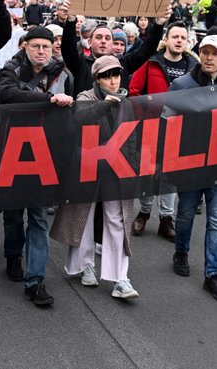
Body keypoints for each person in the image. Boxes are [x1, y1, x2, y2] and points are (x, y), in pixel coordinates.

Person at [0, 25, 74, 307]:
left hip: (47, 155)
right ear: (25, 47)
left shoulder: (63, 74)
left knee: (39, 217)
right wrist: (48, 100)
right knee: (15, 214)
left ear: (53, 48)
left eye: (46, 46)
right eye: (35, 46)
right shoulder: (10, 70)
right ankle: (13, 255)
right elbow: (7, 95)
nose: (41, 52)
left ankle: (35, 280)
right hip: (14, 152)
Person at [51, 55, 139, 300]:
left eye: (116, 75)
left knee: (117, 218)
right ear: (97, 79)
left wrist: (132, 169)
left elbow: (131, 138)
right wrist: (105, 105)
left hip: (116, 168)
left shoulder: (128, 103)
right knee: (84, 215)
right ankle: (84, 265)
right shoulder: (85, 97)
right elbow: (79, 119)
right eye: (106, 76)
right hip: (87, 166)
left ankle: (120, 278)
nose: (112, 80)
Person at [170, 33, 217, 302]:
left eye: (215, 52)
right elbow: (167, 122)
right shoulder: (181, 84)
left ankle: (212, 274)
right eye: (205, 51)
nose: (209, 57)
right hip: (191, 165)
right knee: (186, 214)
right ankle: (181, 251)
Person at [128, 22, 195, 240]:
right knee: (147, 172)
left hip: (179, 130)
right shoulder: (150, 63)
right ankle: (144, 212)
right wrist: (144, 114)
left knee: (169, 176)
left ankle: (166, 218)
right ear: (166, 39)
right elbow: (134, 90)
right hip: (151, 127)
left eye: (183, 38)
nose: (178, 41)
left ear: (187, 42)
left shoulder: (193, 67)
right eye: (175, 36)